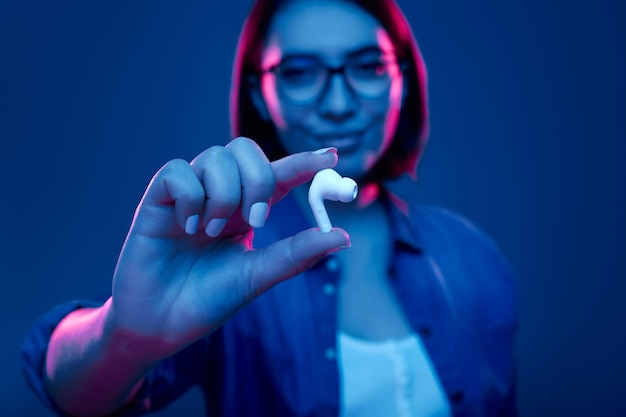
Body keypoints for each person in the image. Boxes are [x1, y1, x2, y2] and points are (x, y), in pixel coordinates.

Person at [21, 0, 518, 416]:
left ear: (402, 78)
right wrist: (123, 337)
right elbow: (72, 392)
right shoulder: (219, 253)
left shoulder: (471, 255)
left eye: (368, 66)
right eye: (300, 72)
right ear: (261, 92)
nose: (339, 103)